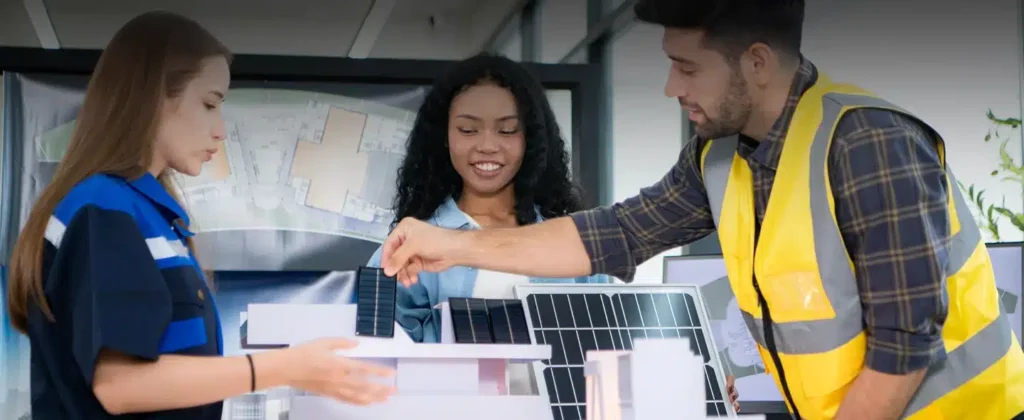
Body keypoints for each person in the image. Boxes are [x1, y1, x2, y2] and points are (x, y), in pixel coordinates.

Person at [377, 0, 1024, 419]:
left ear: (757, 63)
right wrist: (454, 243)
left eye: (686, 67)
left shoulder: (870, 145)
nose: (671, 87)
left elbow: (902, 353)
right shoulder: (719, 157)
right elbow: (616, 234)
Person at [4, 11, 394, 420]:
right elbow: (121, 385)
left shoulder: (147, 215)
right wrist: (287, 367)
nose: (221, 130)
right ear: (154, 97)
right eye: (209, 104)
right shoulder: (104, 210)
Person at [365, 53, 610, 393]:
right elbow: (374, 358)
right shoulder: (409, 248)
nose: (487, 146)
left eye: (508, 130)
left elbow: (609, 347)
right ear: (444, 136)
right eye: (468, 129)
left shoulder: (574, 244)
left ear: (530, 139)